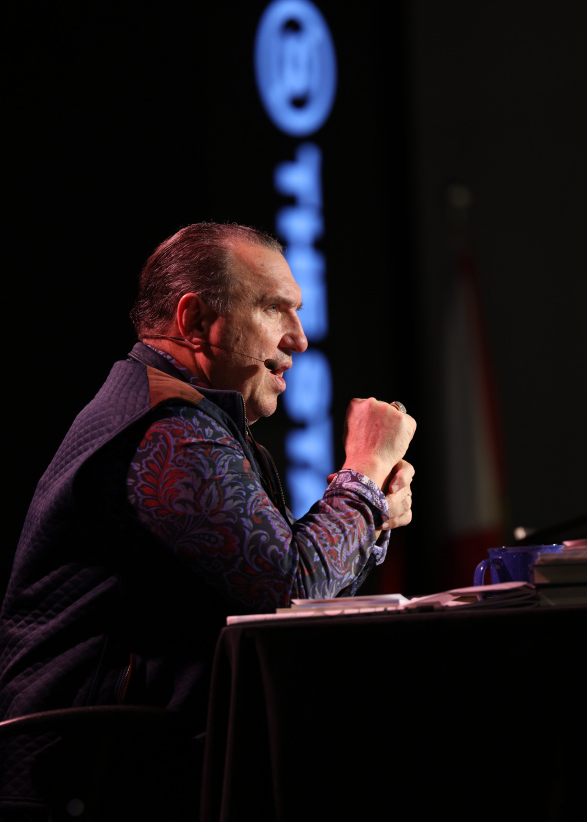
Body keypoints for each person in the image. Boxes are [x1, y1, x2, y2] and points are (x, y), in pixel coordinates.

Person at [0, 221, 416, 820]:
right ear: (195, 321)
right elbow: (291, 590)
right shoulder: (166, 429)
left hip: (141, 764)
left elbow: (292, 598)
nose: (300, 339)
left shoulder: (197, 421)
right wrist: (365, 473)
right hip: (90, 779)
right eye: (274, 309)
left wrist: (371, 513)